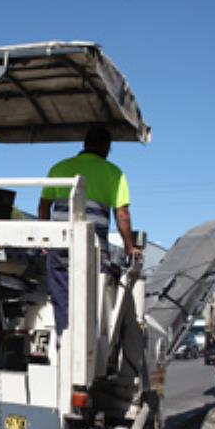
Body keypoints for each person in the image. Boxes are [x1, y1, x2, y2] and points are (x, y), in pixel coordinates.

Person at [38, 125, 140, 334]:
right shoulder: (114, 173)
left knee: (62, 299)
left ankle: (63, 339)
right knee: (92, 299)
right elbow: (122, 214)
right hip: (94, 249)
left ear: (84, 144)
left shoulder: (59, 167)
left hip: (61, 246)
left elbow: (44, 205)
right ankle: (89, 343)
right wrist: (130, 247)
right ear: (106, 147)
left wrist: (45, 238)